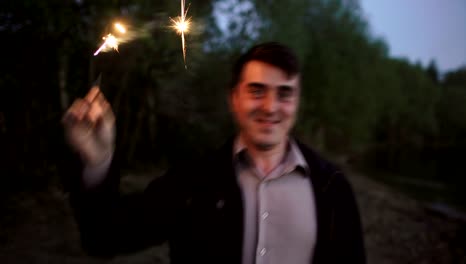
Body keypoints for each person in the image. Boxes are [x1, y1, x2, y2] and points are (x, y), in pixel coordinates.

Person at [62, 42, 366, 264]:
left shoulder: (332, 187)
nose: (270, 107)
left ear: (297, 102)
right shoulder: (193, 180)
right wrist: (97, 160)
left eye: (284, 93)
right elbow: (103, 238)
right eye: (256, 90)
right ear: (233, 98)